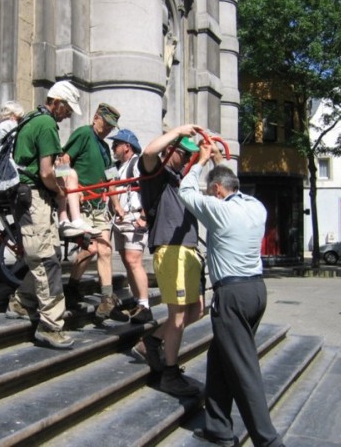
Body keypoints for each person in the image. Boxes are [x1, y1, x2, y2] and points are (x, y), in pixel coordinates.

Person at [178, 139, 285, 447]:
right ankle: (218, 427)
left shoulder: (217, 210)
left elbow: (186, 191)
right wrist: (217, 160)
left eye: (213, 190)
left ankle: (268, 440)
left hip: (233, 296)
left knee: (243, 369)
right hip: (257, 292)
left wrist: (199, 161)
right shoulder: (256, 207)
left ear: (216, 191)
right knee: (220, 357)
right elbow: (226, 183)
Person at [4, 80, 82, 350]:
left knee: (47, 256)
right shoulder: (47, 124)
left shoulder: (33, 119)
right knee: (47, 260)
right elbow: (47, 173)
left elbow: (52, 166)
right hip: (35, 197)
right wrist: (62, 192)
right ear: (57, 102)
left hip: (32, 197)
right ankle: (50, 326)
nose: (69, 114)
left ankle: (21, 301)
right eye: (68, 108)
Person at [131, 125, 205, 397]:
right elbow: (150, 151)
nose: (187, 159)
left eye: (190, 156)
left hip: (188, 249)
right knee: (177, 317)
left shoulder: (179, 178)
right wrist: (180, 130)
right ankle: (170, 375)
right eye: (184, 154)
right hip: (171, 249)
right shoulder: (156, 174)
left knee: (197, 310)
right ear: (171, 150)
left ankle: (151, 341)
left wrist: (204, 155)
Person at [61, 103, 121, 316]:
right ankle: (72, 288)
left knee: (105, 249)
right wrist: (69, 191)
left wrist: (117, 206)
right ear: (96, 117)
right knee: (91, 249)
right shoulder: (83, 134)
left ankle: (106, 299)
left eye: (111, 128)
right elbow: (64, 161)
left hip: (99, 207)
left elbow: (111, 178)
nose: (107, 129)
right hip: (82, 205)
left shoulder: (105, 149)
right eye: (105, 124)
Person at [107, 129, 152, 324]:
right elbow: (112, 186)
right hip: (122, 220)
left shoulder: (137, 163)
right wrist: (116, 207)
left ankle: (144, 305)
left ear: (127, 146)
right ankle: (137, 301)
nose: (113, 147)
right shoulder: (119, 166)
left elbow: (149, 189)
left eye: (116, 144)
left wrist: (144, 216)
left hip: (134, 218)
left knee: (134, 260)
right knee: (127, 261)